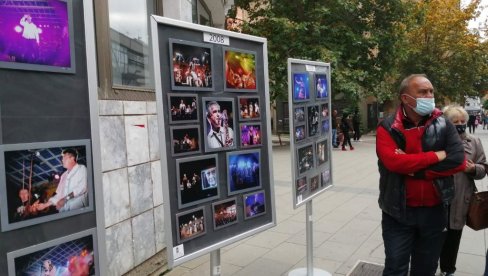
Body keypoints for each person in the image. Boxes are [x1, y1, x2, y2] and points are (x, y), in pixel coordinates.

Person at [376, 74, 466, 276]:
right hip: (397, 212)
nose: (429, 95)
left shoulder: (443, 124)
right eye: (423, 92)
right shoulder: (388, 127)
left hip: (435, 212)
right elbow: (393, 162)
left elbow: (458, 161)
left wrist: (414, 170)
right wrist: (437, 155)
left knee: (426, 269)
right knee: (395, 268)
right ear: (405, 98)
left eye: (431, 91)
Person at [437, 106, 488, 276]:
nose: (460, 125)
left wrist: (474, 169)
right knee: (433, 235)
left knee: (453, 236)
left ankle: (447, 269)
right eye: (455, 122)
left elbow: (483, 168)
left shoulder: (474, 141)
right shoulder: (437, 140)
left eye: (462, 121)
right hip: (437, 197)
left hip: (460, 198)